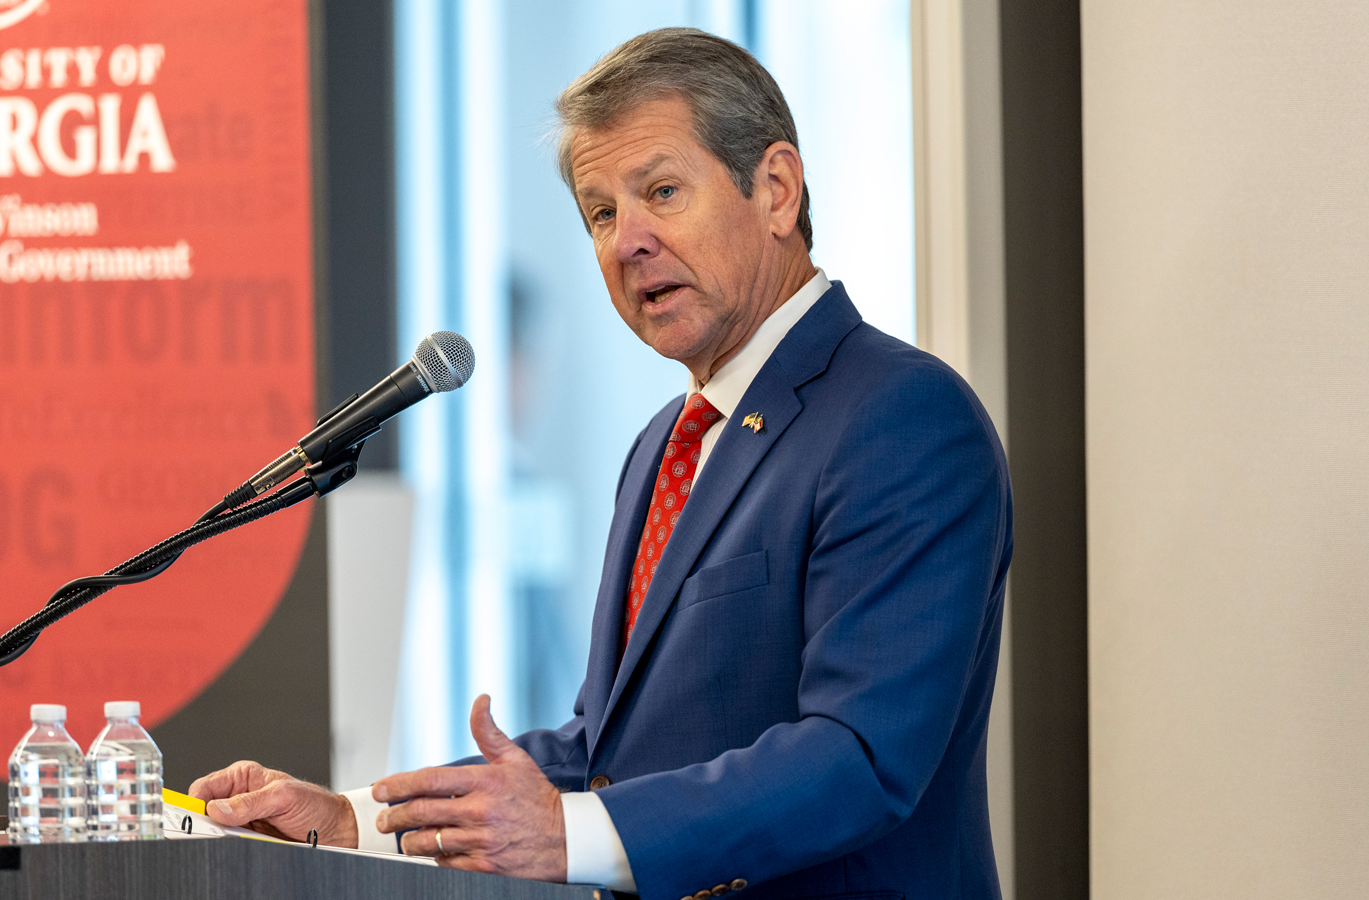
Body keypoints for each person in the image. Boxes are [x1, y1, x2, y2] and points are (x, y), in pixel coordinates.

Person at [190, 27, 1011, 900]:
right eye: (601, 213)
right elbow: (603, 751)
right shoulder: (666, 439)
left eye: (661, 191)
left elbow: (859, 757)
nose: (628, 242)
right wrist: (361, 822)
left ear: (775, 189)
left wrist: (562, 834)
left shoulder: (902, 417)